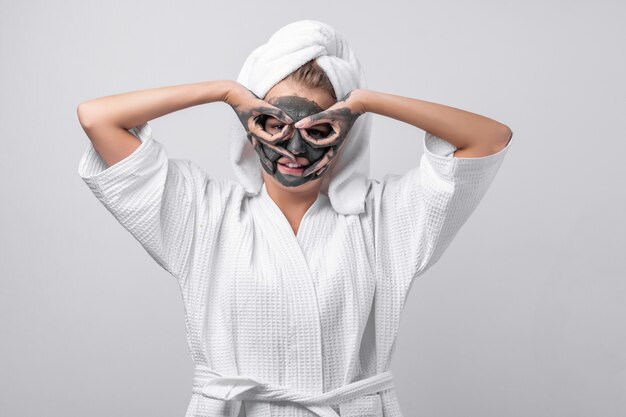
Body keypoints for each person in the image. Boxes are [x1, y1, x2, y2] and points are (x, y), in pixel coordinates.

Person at [77, 20, 513, 417]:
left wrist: (363, 102)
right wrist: (226, 93)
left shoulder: (383, 218)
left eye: (318, 130)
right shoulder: (204, 215)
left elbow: (489, 139)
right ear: (250, 127)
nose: (294, 150)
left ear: (343, 134)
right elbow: (98, 119)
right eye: (272, 123)